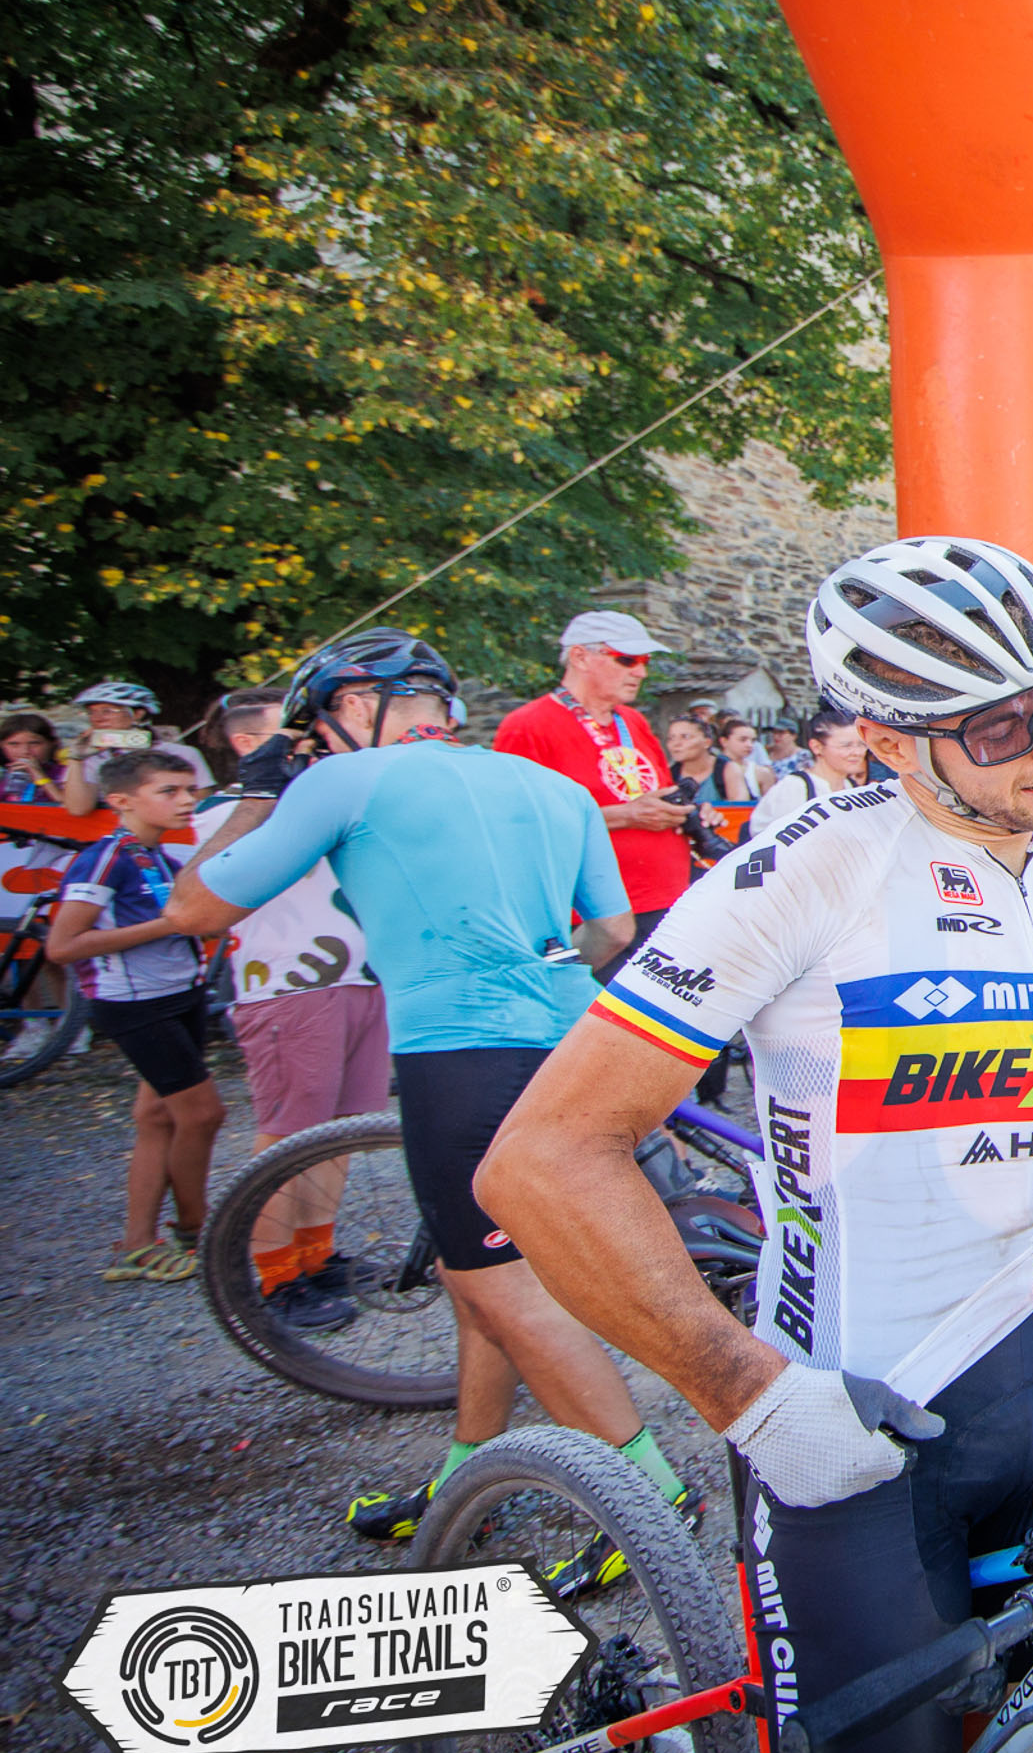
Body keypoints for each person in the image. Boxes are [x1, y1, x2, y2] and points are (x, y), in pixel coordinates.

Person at [479, 536, 1033, 1753]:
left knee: (1023, 1742)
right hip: (855, 1413)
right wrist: (750, 1395)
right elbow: (541, 1160)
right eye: (997, 727)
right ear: (888, 741)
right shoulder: (808, 870)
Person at [158, 631, 671, 1576]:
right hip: (571, 1038)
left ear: (357, 706)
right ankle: (467, 1477)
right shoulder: (553, 787)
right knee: (472, 1274)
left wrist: (261, 791)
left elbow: (194, 909)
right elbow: (610, 929)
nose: (316, 744)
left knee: (502, 1286)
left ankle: (647, 1497)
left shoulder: (346, 779)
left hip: (460, 1050)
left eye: (319, 727)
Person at [203, 694, 388, 1333]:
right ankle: (274, 1276)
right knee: (287, 1135)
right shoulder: (226, 812)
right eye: (297, 738)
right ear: (251, 746)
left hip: (360, 978)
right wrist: (267, 790)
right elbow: (214, 883)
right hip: (289, 986)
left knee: (338, 1131)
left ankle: (316, 1254)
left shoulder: (333, 798)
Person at [47, 749, 220, 1283]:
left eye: (189, 790)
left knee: (158, 1118)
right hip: (136, 1004)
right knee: (203, 1115)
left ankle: (138, 1244)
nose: (187, 801)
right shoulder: (104, 857)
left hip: (180, 994)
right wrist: (171, 925)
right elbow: (62, 946)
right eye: (169, 792)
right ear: (121, 801)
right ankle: (198, 1230)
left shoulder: (160, 856)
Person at [491, 611, 692, 953]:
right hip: (594, 918)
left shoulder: (633, 720)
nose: (641, 672)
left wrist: (686, 811)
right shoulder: (527, 725)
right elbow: (518, 824)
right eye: (627, 659)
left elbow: (657, 790)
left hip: (668, 899)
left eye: (644, 661)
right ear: (580, 656)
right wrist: (626, 816)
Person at [55, 681, 211, 813]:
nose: (97, 718)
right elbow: (78, 810)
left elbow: (201, 805)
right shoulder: (91, 758)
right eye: (91, 713)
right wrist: (76, 759)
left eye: (107, 711)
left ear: (137, 714)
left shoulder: (180, 753)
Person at [751, 706, 870, 825]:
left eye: (862, 744)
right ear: (817, 747)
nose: (857, 752)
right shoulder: (795, 787)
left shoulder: (851, 787)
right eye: (846, 746)